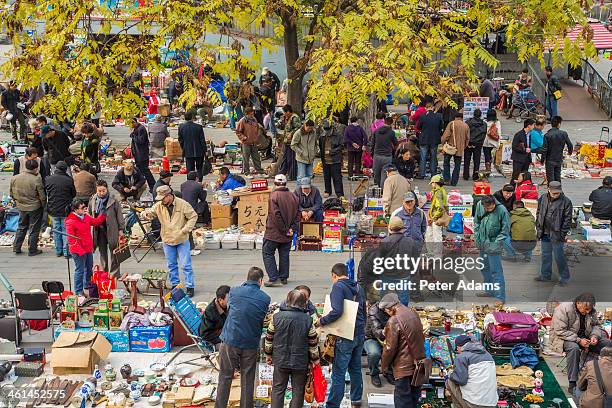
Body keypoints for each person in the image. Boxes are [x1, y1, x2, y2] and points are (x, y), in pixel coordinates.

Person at [216, 267, 271, 408]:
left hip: (230, 340)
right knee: (248, 378)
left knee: (225, 376)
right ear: (260, 281)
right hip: (250, 343)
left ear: (247, 278)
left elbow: (231, 310)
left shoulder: (233, 291)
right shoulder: (265, 298)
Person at [317, 263, 367, 408]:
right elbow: (363, 310)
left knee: (338, 372)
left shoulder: (338, 286)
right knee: (355, 369)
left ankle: (333, 405)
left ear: (334, 275)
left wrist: (322, 321)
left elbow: (337, 311)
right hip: (358, 333)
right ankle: (356, 400)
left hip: (345, 335)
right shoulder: (358, 287)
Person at [265, 290, 319, 408]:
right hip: (300, 362)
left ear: (288, 301)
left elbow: (269, 338)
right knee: (298, 391)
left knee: (278, 389)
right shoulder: (308, 320)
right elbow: (313, 343)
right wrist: (315, 360)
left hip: (280, 359)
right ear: (303, 303)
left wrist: (268, 355)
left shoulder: (276, 317)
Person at [551, 292, 612, 394]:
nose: (587, 311)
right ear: (578, 303)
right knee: (574, 348)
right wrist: (579, 340)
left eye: (590, 309)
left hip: (586, 337)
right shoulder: (564, 309)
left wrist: (594, 336)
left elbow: (596, 326)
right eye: (585, 308)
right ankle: (572, 383)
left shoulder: (591, 310)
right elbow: (559, 331)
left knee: (608, 344)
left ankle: (606, 377)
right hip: (564, 338)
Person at [143, 185, 198, 297]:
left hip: (181, 238)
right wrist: (145, 214)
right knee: (171, 265)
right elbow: (151, 212)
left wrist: (185, 230)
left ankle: (190, 286)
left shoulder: (182, 204)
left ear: (169, 196)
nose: (161, 200)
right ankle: (175, 285)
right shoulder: (159, 205)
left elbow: (193, 216)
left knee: (185, 265)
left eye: (162, 198)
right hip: (167, 239)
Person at [380, 293, 426, 408]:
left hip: (403, 368)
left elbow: (389, 349)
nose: (386, 313)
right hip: (417, 365)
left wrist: (384, 366)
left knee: (403, 401)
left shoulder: (393, 321)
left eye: (385, 310)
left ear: (389, 308)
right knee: (413, 399)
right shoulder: (413, 313)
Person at [262, 174, 299, 287]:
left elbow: (275, 215)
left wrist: (284, 229)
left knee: (267, 252)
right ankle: (283, 277)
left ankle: (274, 278)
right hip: (288, 232)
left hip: (274, 232)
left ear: (275, 183)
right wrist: (292, 228)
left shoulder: (274, 196)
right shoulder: (294, 196)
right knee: (284, 254)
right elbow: (298, 215)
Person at [474, 195, 510, 306]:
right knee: (484, 267)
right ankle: (489, 290)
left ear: (494, 203)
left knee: (496, 271)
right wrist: (477, 237)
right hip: (483, 243)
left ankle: (500, 297)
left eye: (490, 208)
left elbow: (505, 230)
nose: (489, 210)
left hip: (494, 244)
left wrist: (496, 242)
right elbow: (477, 222)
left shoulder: (502, 210)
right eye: (486, 209)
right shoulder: (480, 205)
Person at [535, 181, 573, 285]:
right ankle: (545, 275)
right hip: (545, 232)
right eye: (554, 193)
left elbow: (567, 220)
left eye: (557, 193)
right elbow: (539, 212)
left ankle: (564, 277)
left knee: (559, 256)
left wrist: (562, 234)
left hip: (557, 234)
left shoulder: (566, 201)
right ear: (549, 190)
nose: (556, 195)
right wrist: (538, 227)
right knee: (545, 255)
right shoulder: (543, 198)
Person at [65, 199, 105, 296]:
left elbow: (95, 222)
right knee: (80, 270)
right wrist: (80, 251)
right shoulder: (70, 221)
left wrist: (103, 214)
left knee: (89, 267)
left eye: (85, 207)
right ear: (75, 210)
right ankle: (78, 291)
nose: (85, 209)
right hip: (78, 250)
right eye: (82, 208)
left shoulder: (85, 217)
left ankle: (87, 284)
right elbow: (71, 240)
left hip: (87, 247)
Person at [446, 335, 498, 408]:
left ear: (458, 347)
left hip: (474, 403)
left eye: (457, 350)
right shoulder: (488, 355)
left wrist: (450, 373)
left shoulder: (462, 356)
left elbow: (461, 380)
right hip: (492, 403)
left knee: (450, 381)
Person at [88, 180, 125, 277]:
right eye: (99, 191)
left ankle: (114, 273)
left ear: (107, 189)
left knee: (115, 251)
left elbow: (119, 215)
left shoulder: (113, 200)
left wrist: (121, 229)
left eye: (103, 190)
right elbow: (89, 214)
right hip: (98, 229)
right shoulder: (93, 199)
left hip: (112, 228)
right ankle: (104, 272)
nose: (101, 193)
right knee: (102, 251)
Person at [9, 159, 46, 256]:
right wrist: (44, 206)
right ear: (35, 168)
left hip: (21, 206)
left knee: (21, 226)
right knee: (34, 229)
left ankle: (16, 247)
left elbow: (11, 193)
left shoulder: (15, 178)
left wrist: (17, 202)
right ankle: (32, 250)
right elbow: (42, 196)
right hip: (35, 207)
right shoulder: (36, 179)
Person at [45, 161, 76, 258]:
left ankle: (58, 251)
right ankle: (66, 252)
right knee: (66, 230)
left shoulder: (49, 179)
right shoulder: (69, 180)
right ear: (65, 169)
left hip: (53, 208)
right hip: (65, 209)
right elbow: (73, 194)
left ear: (56, 169)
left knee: (56, 229)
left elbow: (46, 192)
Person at [364, 300, 390, 387]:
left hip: (388, 336)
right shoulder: (373, 311)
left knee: (395, 350)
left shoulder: (394, 309)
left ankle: (388, 372)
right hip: (372, 337)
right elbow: (376, 332)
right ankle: (374, 374)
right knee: (374, 353)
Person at [416, 102, 444, 179]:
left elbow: (418, 127)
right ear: (433, 107)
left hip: (424, 139)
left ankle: (421, 174)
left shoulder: (422, 116)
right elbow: (441, 127)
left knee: (423, 157)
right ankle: (433, 173)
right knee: (433, 157)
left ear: (426, 108)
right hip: (434, 139)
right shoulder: (438, 116)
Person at [441, 112, 470, 186]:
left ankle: (447, 180)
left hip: (450, 148)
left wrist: (443, 143)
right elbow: (467, 139)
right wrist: (463, 147)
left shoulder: (452, 124)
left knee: (446, 163)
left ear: (455, 117)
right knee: (457, 165)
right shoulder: (466, 126)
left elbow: (445, 136)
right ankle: (454, 182)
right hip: (460, 149)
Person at [318, 119, 345, 197]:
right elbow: (321, 146)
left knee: (337, 177)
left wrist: (331, 151)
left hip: (335, 160)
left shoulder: (338, 135)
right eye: (325, 130)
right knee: (326, 177)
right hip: (325, 160)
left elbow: (341, 146)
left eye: (328, 130)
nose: (327, 132)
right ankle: (327, 191)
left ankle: (339, 193)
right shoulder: (322, 136)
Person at [542, 116, 573, 183]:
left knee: (550, 178)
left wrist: (542, 160)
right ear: (559, 124)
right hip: (559, 159)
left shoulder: (547, 135)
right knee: (557, 176)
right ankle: (559, 192)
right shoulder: (563, 133)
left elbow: (544, 149)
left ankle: (551, 192)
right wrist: (569, 153)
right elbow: (570, 145)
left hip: (550, 160)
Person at [178, 110, 207, 181]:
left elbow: (180, 140)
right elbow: (202, 140)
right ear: (192, 117)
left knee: (190, 169)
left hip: (188, 151)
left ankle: (190, 183)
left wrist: (184, 148)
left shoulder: (181, 127)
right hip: (199, 151)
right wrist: (205, 150)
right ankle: (199, 183)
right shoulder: (198, 127)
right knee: (199, 168)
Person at [370, 116, 399, 187]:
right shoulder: (391, 132)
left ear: (384, 122)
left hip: (377, 155)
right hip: (387, 156)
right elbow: (396, 143)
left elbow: (372, 144)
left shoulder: (376, 131)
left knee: (376, 175)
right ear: (391, 124)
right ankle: (383, 191)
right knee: (385, 175)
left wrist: (372, 154)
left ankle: (377, 190)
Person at [236, 106, 265, 176]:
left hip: (254, 142)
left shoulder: (254, 119)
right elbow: (238, 132)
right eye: (251, 114)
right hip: (246, 143)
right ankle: (247, 172)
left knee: (256, 158)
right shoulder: (242, 121)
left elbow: (257, 128)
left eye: (253, 114)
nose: (252, 116)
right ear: (246, 114)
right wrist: (243, 137)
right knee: (246, 158)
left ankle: (259, 171)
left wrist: (257, 137)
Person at [199, 285, 230, 349]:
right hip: (215, 341)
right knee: (232, 347)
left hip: (226, 334)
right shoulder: (210, 312)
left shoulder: (227, 306)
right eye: (229, 299)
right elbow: (205, 335)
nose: (231, 301)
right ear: (220, 300)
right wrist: (224, 338)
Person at [276, 104, 301, 181]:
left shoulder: (295, 117)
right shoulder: (286, 118)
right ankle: (281, 173)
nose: (284, 114)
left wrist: (292, 133)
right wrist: (281, 121)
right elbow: (280, 126)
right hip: (286, 141)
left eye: (285, 112)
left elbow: (298, 128)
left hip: (292, 142)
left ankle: (292, 175)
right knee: (285, 158)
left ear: (288, 112)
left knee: (291, 159)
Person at [130, 118, 155, 191]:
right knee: (140, 171)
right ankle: (140, 186)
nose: (132, 125)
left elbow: (140, 141)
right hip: (138, 154)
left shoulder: (141, 129)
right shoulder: (137, 129)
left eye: (133, 123)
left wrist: (133, 135)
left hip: (142, 154)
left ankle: (152, 185)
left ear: (136, 122)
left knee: (145, 171)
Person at [463, 108, 487, 181]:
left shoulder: (468, 122)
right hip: (478, 144)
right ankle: (475, 175)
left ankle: (466, 175)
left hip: (469, 143)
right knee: (477, 160)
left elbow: (465, 133)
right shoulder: (484, 124)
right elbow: (484, 134)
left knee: (467, 160)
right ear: (480, 115)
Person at [510, 118, 535, 184]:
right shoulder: (518, 135)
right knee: (515, 176)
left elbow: (528, 147)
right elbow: (514, 147)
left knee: (524, 177)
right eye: (533, 125)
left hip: (526, 159)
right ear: (529, 126)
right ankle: (511, 190)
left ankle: (521, 190)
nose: (533, 127)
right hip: (518, 159)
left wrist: (530, 159)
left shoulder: (529, 134)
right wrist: (524, 150)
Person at [428, 175, 447, 243]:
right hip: (436, 216)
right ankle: (433, 252)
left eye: (432, 183)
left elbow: (440, 208)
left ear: (435, 183)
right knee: (432, 235)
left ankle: (436, 253)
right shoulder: (441, 190)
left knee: (436, 236)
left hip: (436, 217)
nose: (431, 185)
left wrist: (434, 217)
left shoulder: (439, 192)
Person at [483, 109, 501, 174]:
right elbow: (499, 133)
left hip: (485, 141)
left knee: (486, 155)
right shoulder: (497, 122)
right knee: (491, 155)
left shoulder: (484, 121)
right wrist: (498, 143)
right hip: (493, 141)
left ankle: (488, 168)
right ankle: (490, 167)